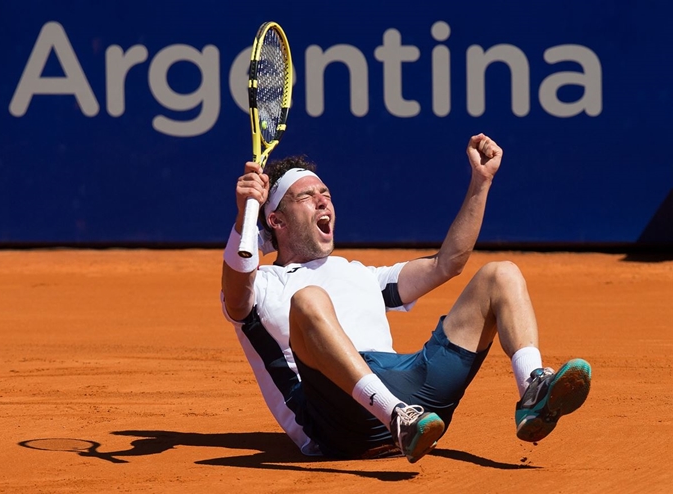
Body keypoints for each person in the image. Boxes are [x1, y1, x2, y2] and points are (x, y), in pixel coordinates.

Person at [221, 133, 592, 463]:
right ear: (277, 221)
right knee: (308, 300)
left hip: (414, 394)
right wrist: (243, 219)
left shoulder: (361, 273)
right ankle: (395, 416)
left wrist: (481, 182)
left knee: (501, 274)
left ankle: (533, 390)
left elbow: (447, 263)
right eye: (307, 197)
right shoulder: (262, 283)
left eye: (326, 195)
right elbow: (237, 296)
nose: (323, 203)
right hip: (337, 417)